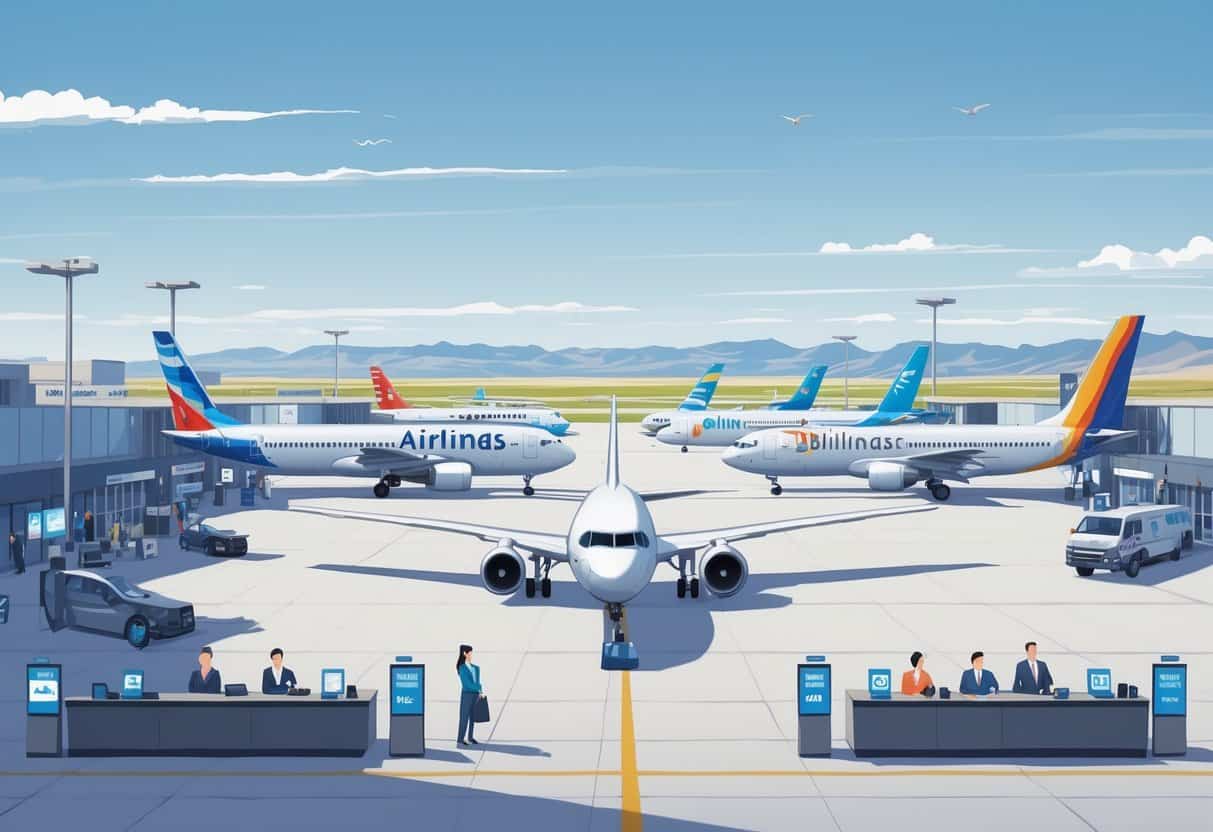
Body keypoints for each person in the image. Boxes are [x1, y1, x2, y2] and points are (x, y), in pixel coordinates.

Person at [456, 644, 485, 746]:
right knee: (464, 717)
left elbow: (477, 681)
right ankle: (460, 739)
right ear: (465, 653)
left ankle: (470, 737)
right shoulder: (462, 668)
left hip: (475, 695)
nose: (471, 655)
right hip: (467, 695)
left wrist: (480, 691)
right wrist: (478, 686)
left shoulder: (476, 668)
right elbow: (467, 684)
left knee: (473, 717)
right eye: (470, 653)